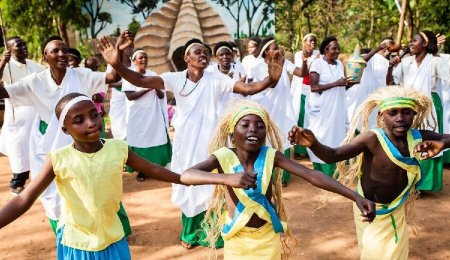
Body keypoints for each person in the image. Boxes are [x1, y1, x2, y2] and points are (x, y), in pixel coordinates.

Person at [98, 36, 284, 249]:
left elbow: (247, 89)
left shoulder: (216, 79)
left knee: (213, 186)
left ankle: (214, 234)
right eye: (197, 52)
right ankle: (189, 234)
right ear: (186, 57)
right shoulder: (175, 79)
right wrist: (117, 65)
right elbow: (141, 82)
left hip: (211, 145)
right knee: (188, 186)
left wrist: (271, 79)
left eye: (205, 51)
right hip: (185, 145)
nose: (203, 54)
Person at [181, 100, 375, 259]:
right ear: (232, 134)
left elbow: (311, 175)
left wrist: (355, 196)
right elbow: (187, 175)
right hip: (236, 240)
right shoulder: (223, 156)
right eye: (245, 124)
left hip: (268, 238)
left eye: (259, 126)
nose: (253, 130)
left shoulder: (271, 156)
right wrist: (227, 178)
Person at [0, 92, 183, 259]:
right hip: (78, 244)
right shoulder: (58, 159)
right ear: (65, 129)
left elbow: (154, 169)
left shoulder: (118, 148)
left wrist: (184, 179)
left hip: (113, 237)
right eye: (79, 120)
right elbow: (25, 198)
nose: (91, 122)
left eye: (94, 115)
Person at [289, 86, 450, 259]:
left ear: (414, 114)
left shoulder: (418, 137)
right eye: (393, 113)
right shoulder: (372, 139)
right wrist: (314, 144)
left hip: (396, 209)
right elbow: (332, 155)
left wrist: (444, 144)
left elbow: (446, 138)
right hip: (369, 210)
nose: (400, 118)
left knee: (397, 254)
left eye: (407, 112)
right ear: (381, 115)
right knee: (374, 253)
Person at [0, 33, 126, 235]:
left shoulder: (81, 74)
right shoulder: (34, 81)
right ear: (44, 57)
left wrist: (116, 59)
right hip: (48, 145)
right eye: (55, 50)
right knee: (52, 194)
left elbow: (112, 77)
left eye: (65, 50)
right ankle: (66, 234)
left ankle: (111, 230)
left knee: (95, 185)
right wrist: (1, 64)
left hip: (83, 141)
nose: (62, 54)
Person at [386, 31, 450, 192]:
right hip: (408, 107)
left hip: (430, 105)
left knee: (428, 137)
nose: (411, 43)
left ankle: (425, 184)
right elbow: (391, 81)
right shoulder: (406, 62)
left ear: (425, 44)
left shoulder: (435, 62)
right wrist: (391, 65)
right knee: (410, 139)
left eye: (415, 41)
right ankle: (409, 181)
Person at [250, 37, 307, 186]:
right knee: (267, 140)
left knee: (283, 138)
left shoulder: (284, 62)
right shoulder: (257, 67)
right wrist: (278, 67)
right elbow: (272, 84)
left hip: (283, 110)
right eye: (274, 48)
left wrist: (305, 61)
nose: (277, 50)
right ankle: (268, 176)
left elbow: (301, 73)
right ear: (266, 52)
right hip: (267, 109)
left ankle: (283, 177)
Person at [0, 36, 46, 194]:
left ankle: (39, 182)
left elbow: (47, 73)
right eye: (19, 45)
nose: (24, 46)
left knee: (37, 147)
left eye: (24, 43)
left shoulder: (32, 65)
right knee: (19, 150)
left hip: (34, 114)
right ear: (10, 50)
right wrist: (2, 63)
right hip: (17, 117)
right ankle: (16, 183)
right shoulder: (7, 66)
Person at [307, 36, 355, 177]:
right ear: (326, 49)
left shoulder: (340, 64)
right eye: (334, 48)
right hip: (321, 108)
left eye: (338, 48)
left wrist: (347, 84)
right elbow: (314, 87)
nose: (337, 51)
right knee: (321, 136)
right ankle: (321, 172)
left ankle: (335, 172)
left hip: (338, 108)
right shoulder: (317, 64)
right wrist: (336, 83)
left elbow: (341, 85)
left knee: (337, 137)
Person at [122, 49, 172, 182]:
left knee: (154, 138)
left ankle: (156, 168)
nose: (144, 60)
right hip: (137, 116)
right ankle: (142, 171)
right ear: (134, 61)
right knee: (140, 141)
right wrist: (147, 88)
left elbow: (161, 95)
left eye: (145, 57)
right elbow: (130, 96)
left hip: (153, 114)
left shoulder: (153, 74)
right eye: (141, 58)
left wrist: (156, 87)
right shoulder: (129, 75)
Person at [347, 38, 395, 129]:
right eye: (386, 45)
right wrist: (377, 49)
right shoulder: (372, 57)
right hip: (365, 97)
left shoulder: (389, 62)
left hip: (381, 99)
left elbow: (391, 83)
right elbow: (359, 62)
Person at [291, 33, 320, 160]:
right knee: (301, 119)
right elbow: (304, 71)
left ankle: (311, 149)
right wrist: (311, 59)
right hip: (302, 91)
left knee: (312, 120)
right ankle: (299, 149)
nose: (313, 43)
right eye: (310, 40)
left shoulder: (319, 54)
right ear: (304, 42)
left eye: (315, 40)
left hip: (314, 91)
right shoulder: (299, 54)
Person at [211, 41, 247, 115]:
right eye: (221, 54)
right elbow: (210, 94)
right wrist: (224, 80)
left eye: (228, 54)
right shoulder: (210, 71)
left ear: (232, 55)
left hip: (236, 111)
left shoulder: (239, 69)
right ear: (216, 56)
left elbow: (246, 94)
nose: (225, 57)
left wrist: (242, 87)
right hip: (218, 113)